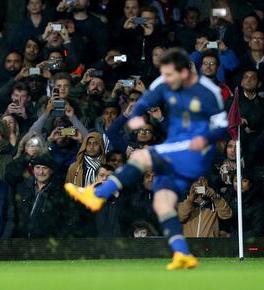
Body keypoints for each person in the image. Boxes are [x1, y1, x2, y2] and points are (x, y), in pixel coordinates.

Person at [65, 47, 228, 269]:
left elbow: (221, 125)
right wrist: (135, 115)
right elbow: (143, 103)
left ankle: (96, 194)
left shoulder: (209, 92)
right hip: (177, 154)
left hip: (196, 151)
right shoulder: (165, 84)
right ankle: (182, 254)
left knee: (143, 157)